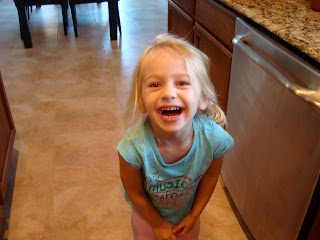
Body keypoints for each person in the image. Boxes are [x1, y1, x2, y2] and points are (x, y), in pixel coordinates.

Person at [117, 34, 234, 240]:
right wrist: (158, 223)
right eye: (155, 85)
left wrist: (194, 215)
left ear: (202, 98)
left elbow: (210, 177)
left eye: (182, 83)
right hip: (147, 219)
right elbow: (135, 194)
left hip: (186, 218)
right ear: (142, 102)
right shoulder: (132, 149)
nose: (168, 93)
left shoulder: (214, 141)